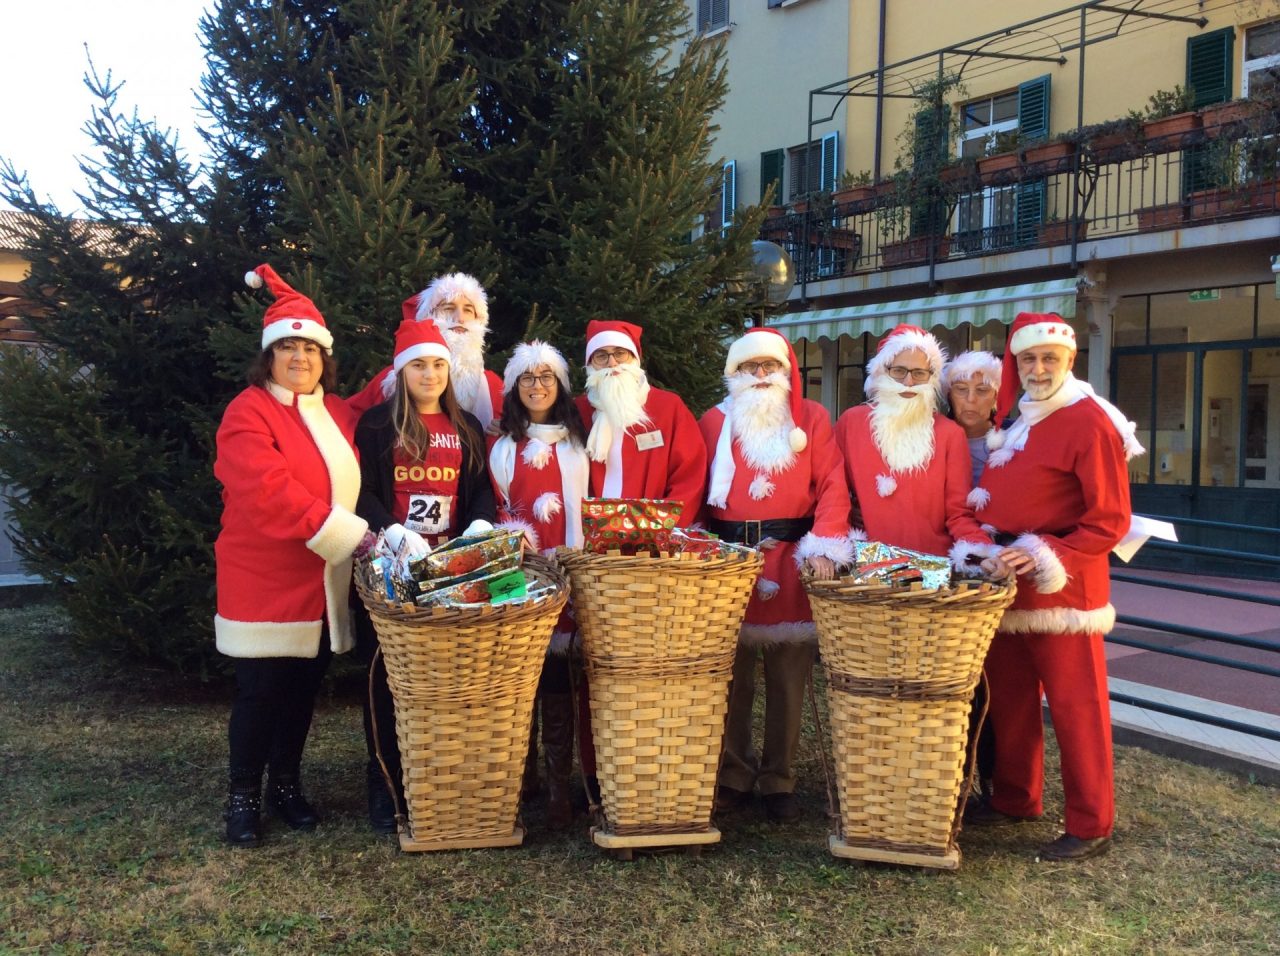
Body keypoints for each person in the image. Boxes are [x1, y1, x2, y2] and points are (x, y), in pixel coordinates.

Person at [969, 312, 1143, 862]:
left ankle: (1091, 822)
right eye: (1028, 360)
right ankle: (1017, 797)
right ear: (1015, 366)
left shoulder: (1090, 421)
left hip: (1064, 590)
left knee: (1076, 705)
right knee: (1012, 700)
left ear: (1070, 360)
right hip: (1009, 584)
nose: (1038, 368)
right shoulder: (1019, 417)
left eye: (1049, 358)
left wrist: (1049, 552)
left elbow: (1109, 520)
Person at [214, 264, 369, 848]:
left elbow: (398, 383)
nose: (299, 357)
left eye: (309, 347)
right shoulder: (248, 412)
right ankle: (242, 797)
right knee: (259, 693)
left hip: (320, 583)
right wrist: (349, 536)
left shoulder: (338, 412)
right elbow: (267, 492)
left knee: (304, 689)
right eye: (287, 348)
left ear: (323, 357)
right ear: (269, 357)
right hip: (264, 578)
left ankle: (286, 785)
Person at [699, 328, 852, 823]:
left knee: (788, 677)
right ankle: (734, 773)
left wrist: (826, 543)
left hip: (791, 557)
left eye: (769, 367)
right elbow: (694, 487)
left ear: (786, 371)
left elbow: (832, 485)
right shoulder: (713, 422)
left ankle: (779, 778)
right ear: (735, 374)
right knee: (732, 677)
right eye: (750, 368)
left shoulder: (812, 418)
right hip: (731, 563)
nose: (761, 376)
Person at [353, 313, 497, 833]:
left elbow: (481, 486)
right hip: (390, 568)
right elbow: (360, 488)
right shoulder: (374, 425)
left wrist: (479, 522)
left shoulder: (467, 427)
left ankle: (442, 779)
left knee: (446, 679)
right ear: (401, 372)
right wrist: (389, 528)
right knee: (386, 678)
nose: (430, 374)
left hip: (450, 570)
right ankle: (385, 779)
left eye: (439, 364)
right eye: (419, 365)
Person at [489, 341, 590, 829]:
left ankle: (557, 788)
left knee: (557, 675)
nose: (537, 385)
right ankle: (519, 776)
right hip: (519, 572)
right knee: (517, 668)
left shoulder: (578, 444)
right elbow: (497, 506)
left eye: (546, 376)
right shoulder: (504, 447)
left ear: (561, 385)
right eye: (527, 378)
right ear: (514, 387)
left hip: (568, 568)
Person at [832, 324, 991, 563]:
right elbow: (832, 494)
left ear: (931, 377)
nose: (908, 381)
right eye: (899, 371)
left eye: (919, 373)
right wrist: (849, 509)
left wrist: (983, 553)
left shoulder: (950, 434)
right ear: (882, 372)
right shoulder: (851, 423)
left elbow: (959, 513)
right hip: (867, 567)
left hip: (931, 566)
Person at [942, 350, 1003, 804]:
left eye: (981, 391)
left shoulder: (1010, 443)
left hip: (989, 563)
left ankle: (992, 776)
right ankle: (952, 772)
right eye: (961, 389)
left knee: (989, 678)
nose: (970, 400)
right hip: (940, 562)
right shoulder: (933, 436)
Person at [574, 320, 707, 519]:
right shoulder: (577, 411)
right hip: (588, 539)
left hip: (652, 537)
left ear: (635, 359)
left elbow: (689, 475)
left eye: (620, 353)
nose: (612, 363)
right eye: (601, 356)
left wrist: (664, 527)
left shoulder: (668, 407)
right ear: (590, 364)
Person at [347, 272, 504, 430]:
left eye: (468, 310)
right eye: (449, 308)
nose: (460, 318)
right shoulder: (394, 379)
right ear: (428, 316)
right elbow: (348, 420)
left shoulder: (492, 385)